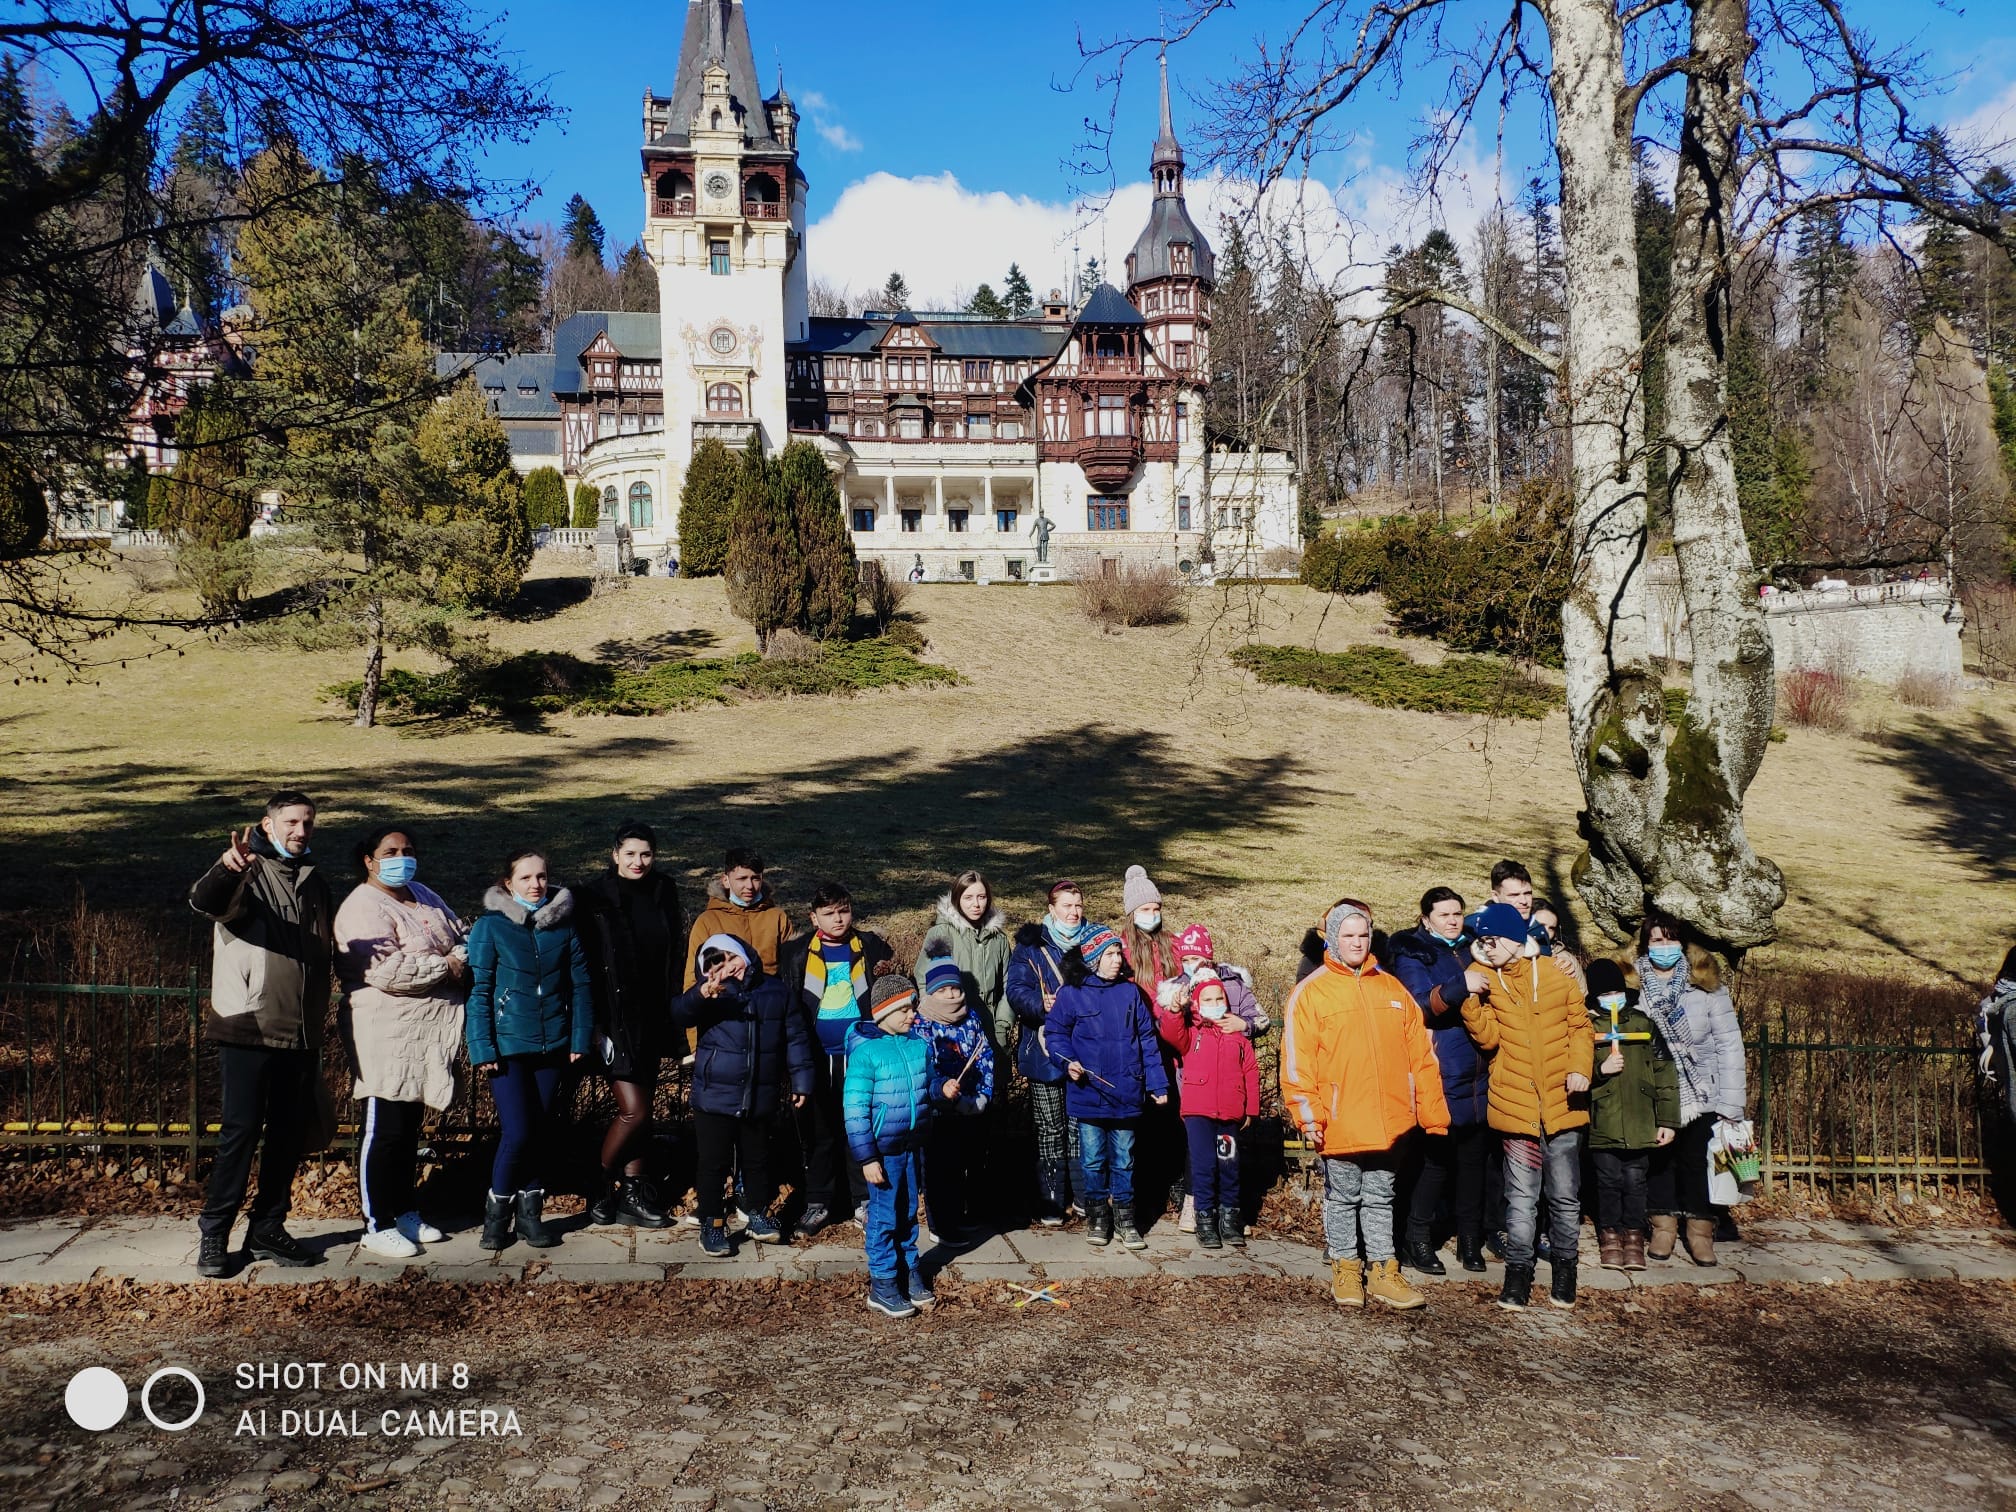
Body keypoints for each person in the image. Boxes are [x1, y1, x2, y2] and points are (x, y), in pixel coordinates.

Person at [190, 791, 336, 1278]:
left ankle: (267, 1228)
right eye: (291, 821)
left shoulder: (315, 881)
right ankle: (214, 1234)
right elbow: (207, 902)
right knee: (241, 1133)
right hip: (249, 1025)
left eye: (308, 822)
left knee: (288, 1137)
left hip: (300, 1030)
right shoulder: (248, 870)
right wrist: (228, 868)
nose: (300, 830)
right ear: (268, 824)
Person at [1281, 901, 1450, 1311]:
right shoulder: (1312, 991)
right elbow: (1297, 1060)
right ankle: (1345, 1267)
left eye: (1363, 935)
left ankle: (1383, 1271)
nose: (1357, 943)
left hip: (1389, 1119)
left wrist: (1432, 1114)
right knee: (1343, 1196)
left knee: (1380, 1195)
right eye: (1348, 936)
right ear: (1333, 940)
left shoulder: (1392, 989)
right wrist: (1309, 1115)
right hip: (1340, 1119)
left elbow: (1421, 1056)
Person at [334, 825, 468, 1260]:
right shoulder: (360, 906)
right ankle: (376, 1222)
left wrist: (454, 957)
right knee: (385, 1125)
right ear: (369, 861)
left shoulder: (423, 894)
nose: (401, 857)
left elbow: (460, 936)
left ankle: (405, 1209)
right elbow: (388, 971)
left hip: (423, 1030)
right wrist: (446, 966)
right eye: (389, 851)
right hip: (382, 1029)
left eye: (408, 849)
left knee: (410, 1128)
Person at [1457, 901, 1594, 1311]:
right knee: (1520, 1200)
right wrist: (1470, 1001)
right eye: (1481, 942)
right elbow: (1488, 1041)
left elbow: (1581, 1028)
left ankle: (1565, 1272)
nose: (1485, 947)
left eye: (1491, 939)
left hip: (1563, 1103)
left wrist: (1579, 1068)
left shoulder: (1555, 974)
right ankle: (1517, 1277)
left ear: (1514, 939)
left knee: (1565, 1197)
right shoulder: (1486, 979)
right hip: (1515, 1105)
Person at [465, 849, 594, 1253]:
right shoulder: (491, 927)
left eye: (542, 876)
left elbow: (581, 986)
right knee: (518, 1130)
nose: (536, 884)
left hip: (552, 1043)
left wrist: (578, 1038)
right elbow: (479, 990)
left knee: (539, 1130)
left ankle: (531, 1214)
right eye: (526, 878)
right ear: (508, 884)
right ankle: (497, 1213)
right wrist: (482, 1046)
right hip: (507, 1046)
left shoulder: (563, 926)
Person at [672, 934, 815, 1256]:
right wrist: (700, 993)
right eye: (715, 963)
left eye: (730, 958)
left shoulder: (775, 990)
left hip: (759, 1093)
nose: (727, 967)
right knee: (713, 1162)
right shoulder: (711, 995)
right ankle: (712, 1220)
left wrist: (801, 1080)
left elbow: (795, 1038)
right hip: (715, 1096)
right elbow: (680, 1013)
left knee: (758, 1159)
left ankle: (759, 1214)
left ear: (745, 955)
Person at [577, 820, 687, 1230]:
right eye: (630, 854)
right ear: (614, 855)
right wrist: (593, 1023)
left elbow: (674, 950)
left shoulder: (665, 890)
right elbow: (585, 961)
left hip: (653, 1015)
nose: (638, 862)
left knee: (646, 1110)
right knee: (635, 1111)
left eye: (646, 854)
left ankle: (634, 1193)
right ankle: (599, 1184)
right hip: (614, 1017)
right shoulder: (594, 897)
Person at [1385, 886, 1492, 1276]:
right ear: (1426, 917)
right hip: (1442, 1068)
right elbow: (1420, 1004)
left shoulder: (1475, 947)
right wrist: (1462, 984)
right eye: (1444, 914)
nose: (1452, 920)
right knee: (1435, 1161)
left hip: (1482, 1069)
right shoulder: (1414, 952)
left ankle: (1469, 1239)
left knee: (1473, 1161)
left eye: (1458, 913)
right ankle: (1417, 1238)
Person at [778, 880, 892, 1235]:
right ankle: (819, 1201)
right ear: (814, 918)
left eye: (844, 911)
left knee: (858, 1125)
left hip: (859, 1054)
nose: (838, 919)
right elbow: (791, 1008)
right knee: (819, 1129)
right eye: (829, 914)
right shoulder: (797, 953)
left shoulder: (869, 946)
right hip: (815, 1055)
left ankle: (863, 1200)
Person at [1047, 925, 1170, 1250]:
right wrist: (1067, 1061)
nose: (1117, 960)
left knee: (1124, 1159)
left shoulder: (1130, 993)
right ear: (1091, 959)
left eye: (1118, 953)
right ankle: (1098, 1218)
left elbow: (1146, 1040)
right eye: (1109, 954)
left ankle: (1127, 1221)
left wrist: (1157, 1082)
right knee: (1092, 1160)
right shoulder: (1072, 993)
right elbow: (1055, 1033)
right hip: (1089, 1093)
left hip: (1127, 1092)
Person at [1634, 914, 1747, 1266]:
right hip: (1654, 1091)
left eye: (1670, 941)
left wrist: (1731, 1103)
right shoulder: (1631, 986)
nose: (1664, 948)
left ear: (1682, 945)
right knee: (1659, 1162)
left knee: (1698, 1162)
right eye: (1656, 941)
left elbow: (1730, 1046)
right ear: (1645, 945)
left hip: (1703, 1092)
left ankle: (1700, 1232)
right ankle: (1663, 1227)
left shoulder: (1707, 987)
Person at [843, 969, 935, 1317]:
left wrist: (941, 1090)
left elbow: (927, 1089)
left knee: (909, 1212)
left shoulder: (918, 1046)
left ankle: (909, 1270)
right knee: (883, 1217)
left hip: (912, 1145)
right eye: (905, 1010)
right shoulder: (866, 1054)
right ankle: (882, 1283)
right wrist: (867, 1157)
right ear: (883, 1012)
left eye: (913, 1007)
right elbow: (854, 1110)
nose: (913, 1014)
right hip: (882, 1151)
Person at [1585, 957, 1679, 1271]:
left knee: (1636, 1181)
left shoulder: (1643, 1025)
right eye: (1605, 993)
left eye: (1617, 991)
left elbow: (1665, 1073)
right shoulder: (1588, 1028)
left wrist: (1666, 1119)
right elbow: (1574, 1071)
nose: (1612, 998)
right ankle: (1610, 1236)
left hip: (1641, 1120)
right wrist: (1600, 1069)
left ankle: (1634, 1235)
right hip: (1604, 1119)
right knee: (1608, 1181)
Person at [1155, 971, 1260, 1250]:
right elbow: (1170, 1032)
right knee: (1203, 1166)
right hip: (1198, 1114)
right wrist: (1175, 1009)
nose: (1214, 1003)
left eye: (1218, 998)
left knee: (1229, 1166)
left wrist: (1251, 1108)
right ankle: (1204, 1218)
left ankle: (1229, 1218)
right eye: (1208, 999)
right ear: (1198, 1004)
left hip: (1229, 1113)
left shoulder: (1237, 1037)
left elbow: (1250, 1070)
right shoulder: (1192, 1033)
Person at [1005, 880, 1088, 1225]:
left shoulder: (1094, 943)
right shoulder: (1031, 947)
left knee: (1079, 1124)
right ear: (1051, 909)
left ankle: (1083, 1196)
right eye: (1066, 906)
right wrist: (1041, 1003)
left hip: (1083, 1048)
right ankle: (1052, 1199)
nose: (1073, 912)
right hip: (1042, 1049)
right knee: (1049, 1125)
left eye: (1078, 905)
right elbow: (1015, 990)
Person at [914, 946, 995, 1242]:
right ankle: (940, 1225)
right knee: (938, 1171)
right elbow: (924, 1066)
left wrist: (982, 1093)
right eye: (943, 989)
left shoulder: (970, 1017)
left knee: (963, 1164)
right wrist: (943, 1092)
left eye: (954, 988)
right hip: (938, 1111)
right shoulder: (922, 1022)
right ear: (931, 991)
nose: (951, 994)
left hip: (969, 1106)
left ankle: (959, 1216)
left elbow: (984, 1054)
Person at [915, 870, 1013, 1051]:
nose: (976, 904)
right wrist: (937, 1018)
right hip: (952, 1031)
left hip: (992, 1032)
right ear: (957, 899)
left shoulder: (998, 940)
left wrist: (1002, 1023)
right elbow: (923, 979)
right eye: (968, 897)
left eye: (981, 897)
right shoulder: (941, 933)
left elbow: (1009, 984)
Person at [684, 847, 792, 988]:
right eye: (742, 879)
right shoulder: (707, 921)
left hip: (770, 1000)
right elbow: (693, 975)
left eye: (755, 879)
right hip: (725, 1001)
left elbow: (791, 968)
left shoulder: (777, 917)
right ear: (726, 880)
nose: (749, 886)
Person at [1171, 924, 1269, 1035]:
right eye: (1185, 960)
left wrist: (1244, 1024)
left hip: (1232, 1047)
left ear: (1208, 958)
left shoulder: (1233, 983)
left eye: (1195, 958)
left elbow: (1262, 1020)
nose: (1190, 965)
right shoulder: (1177, 987)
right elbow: (1165, 1028)